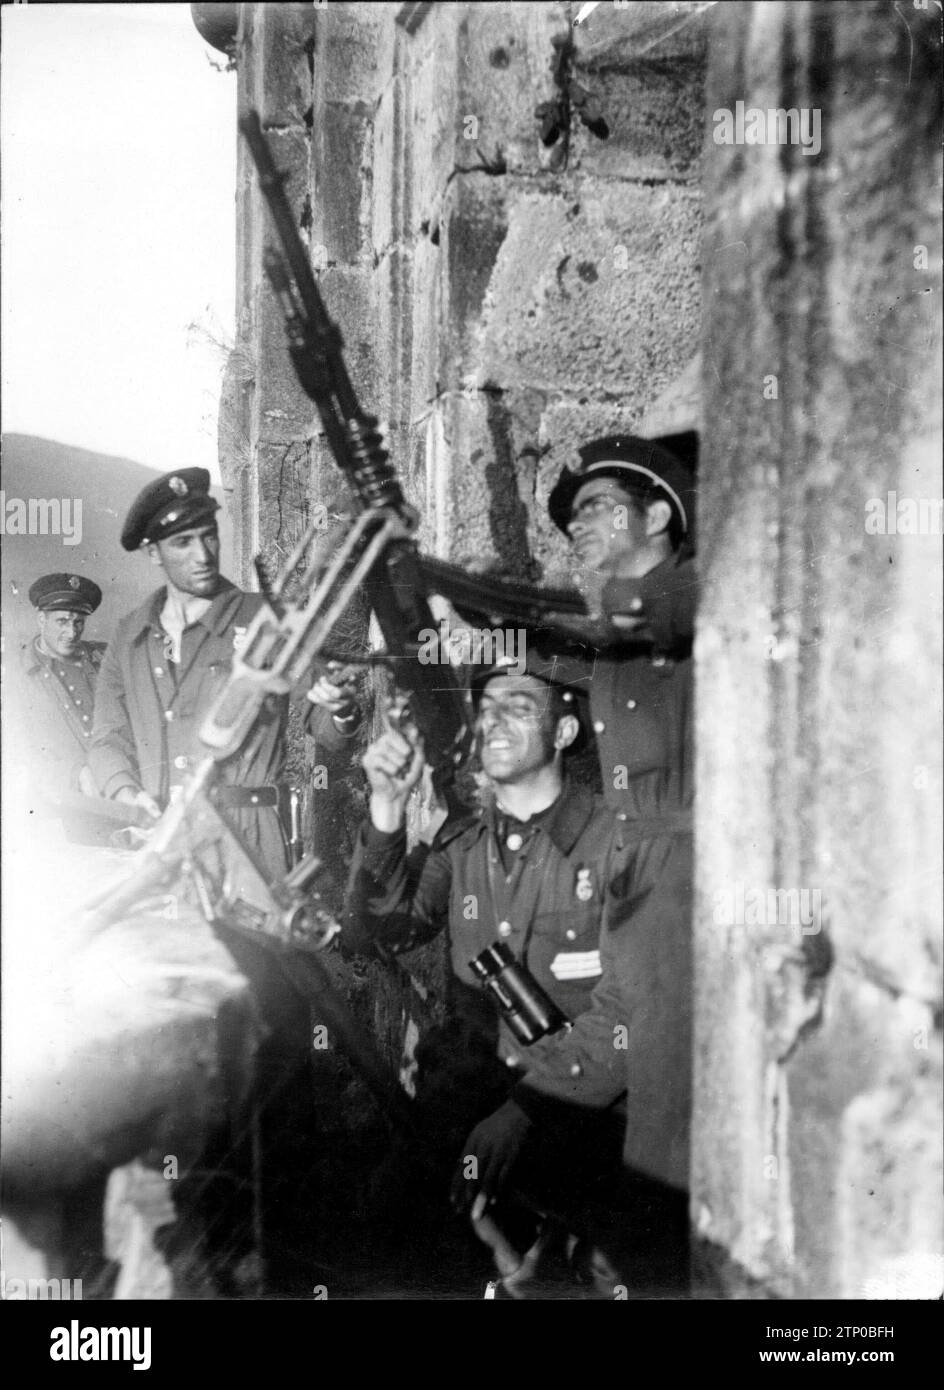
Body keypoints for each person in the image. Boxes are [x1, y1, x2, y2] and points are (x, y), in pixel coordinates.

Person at [461, 435, 698, 1287]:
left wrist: (485, 590)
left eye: (597, 507)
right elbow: (548, 653)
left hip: (691, 872)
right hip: (648, 873)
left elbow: (618, 620)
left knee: (665, 1155)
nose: (578, 529)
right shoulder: (614, 637)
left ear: (660, 515)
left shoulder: (691, 592)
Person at [343, 652, 653, 1280]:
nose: (495, 723)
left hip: (575, 1113)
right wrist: (385, 809)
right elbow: (383, 932)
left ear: (565, 732)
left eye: (518, 708)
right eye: (485, 711)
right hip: (465, 1103)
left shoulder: (617, 843)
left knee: (602, 1269)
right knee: (379, 1230)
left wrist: (529, 1111)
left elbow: (629, 1011)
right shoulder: (463, 841)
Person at [88, 467, 359, 878]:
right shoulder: (129, 635)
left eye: (208, 534)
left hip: (247, 841)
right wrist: (127, 793)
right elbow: (107, 738)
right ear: (153, 552)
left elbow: (324, 724)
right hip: (159, 841)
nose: (203, 554)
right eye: (183, 542)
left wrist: (340, 707)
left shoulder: (268, 621)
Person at [14, 573, 107, 799]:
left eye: (78, 623)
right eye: (62, 621)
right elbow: (16, 753)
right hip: (64, 800)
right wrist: (75, 774)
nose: (72, 633)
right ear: (42, 620)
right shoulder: (16, 674)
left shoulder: (105, 658)